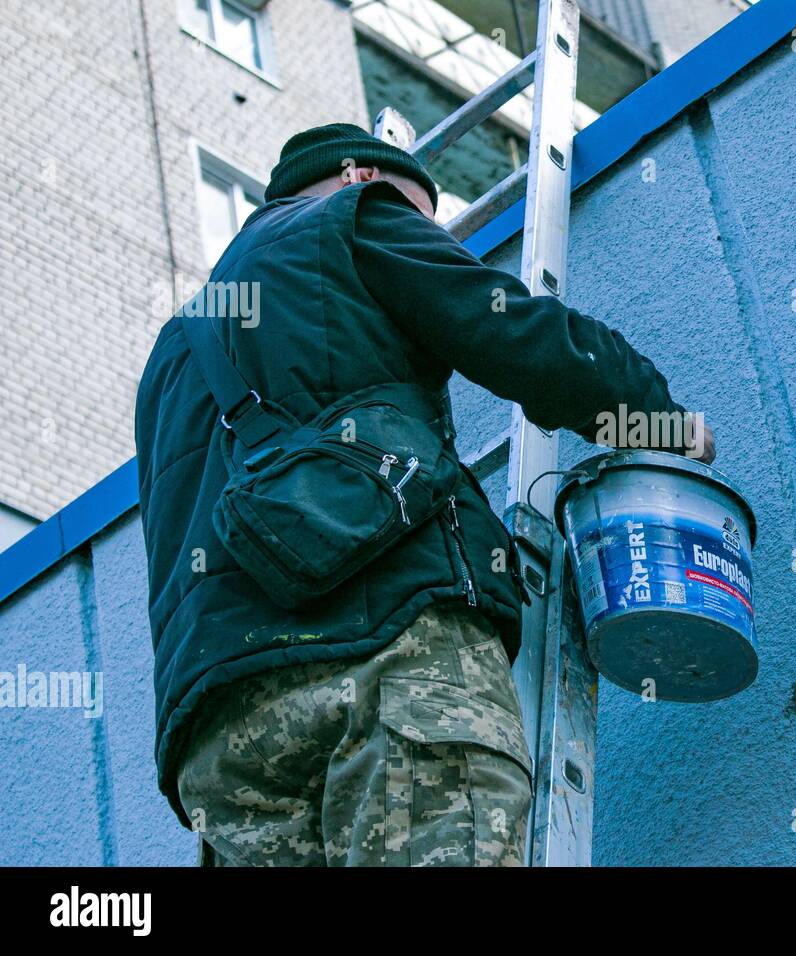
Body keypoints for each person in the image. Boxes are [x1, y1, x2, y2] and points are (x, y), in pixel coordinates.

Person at [134, 123, 713, 866]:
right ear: (359, 182)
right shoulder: (351, 219)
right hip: (385, 658)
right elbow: (517, 335)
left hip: (218, 739)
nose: (426, 234)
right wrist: (656, 418)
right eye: (416, 214)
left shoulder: (171, 353)